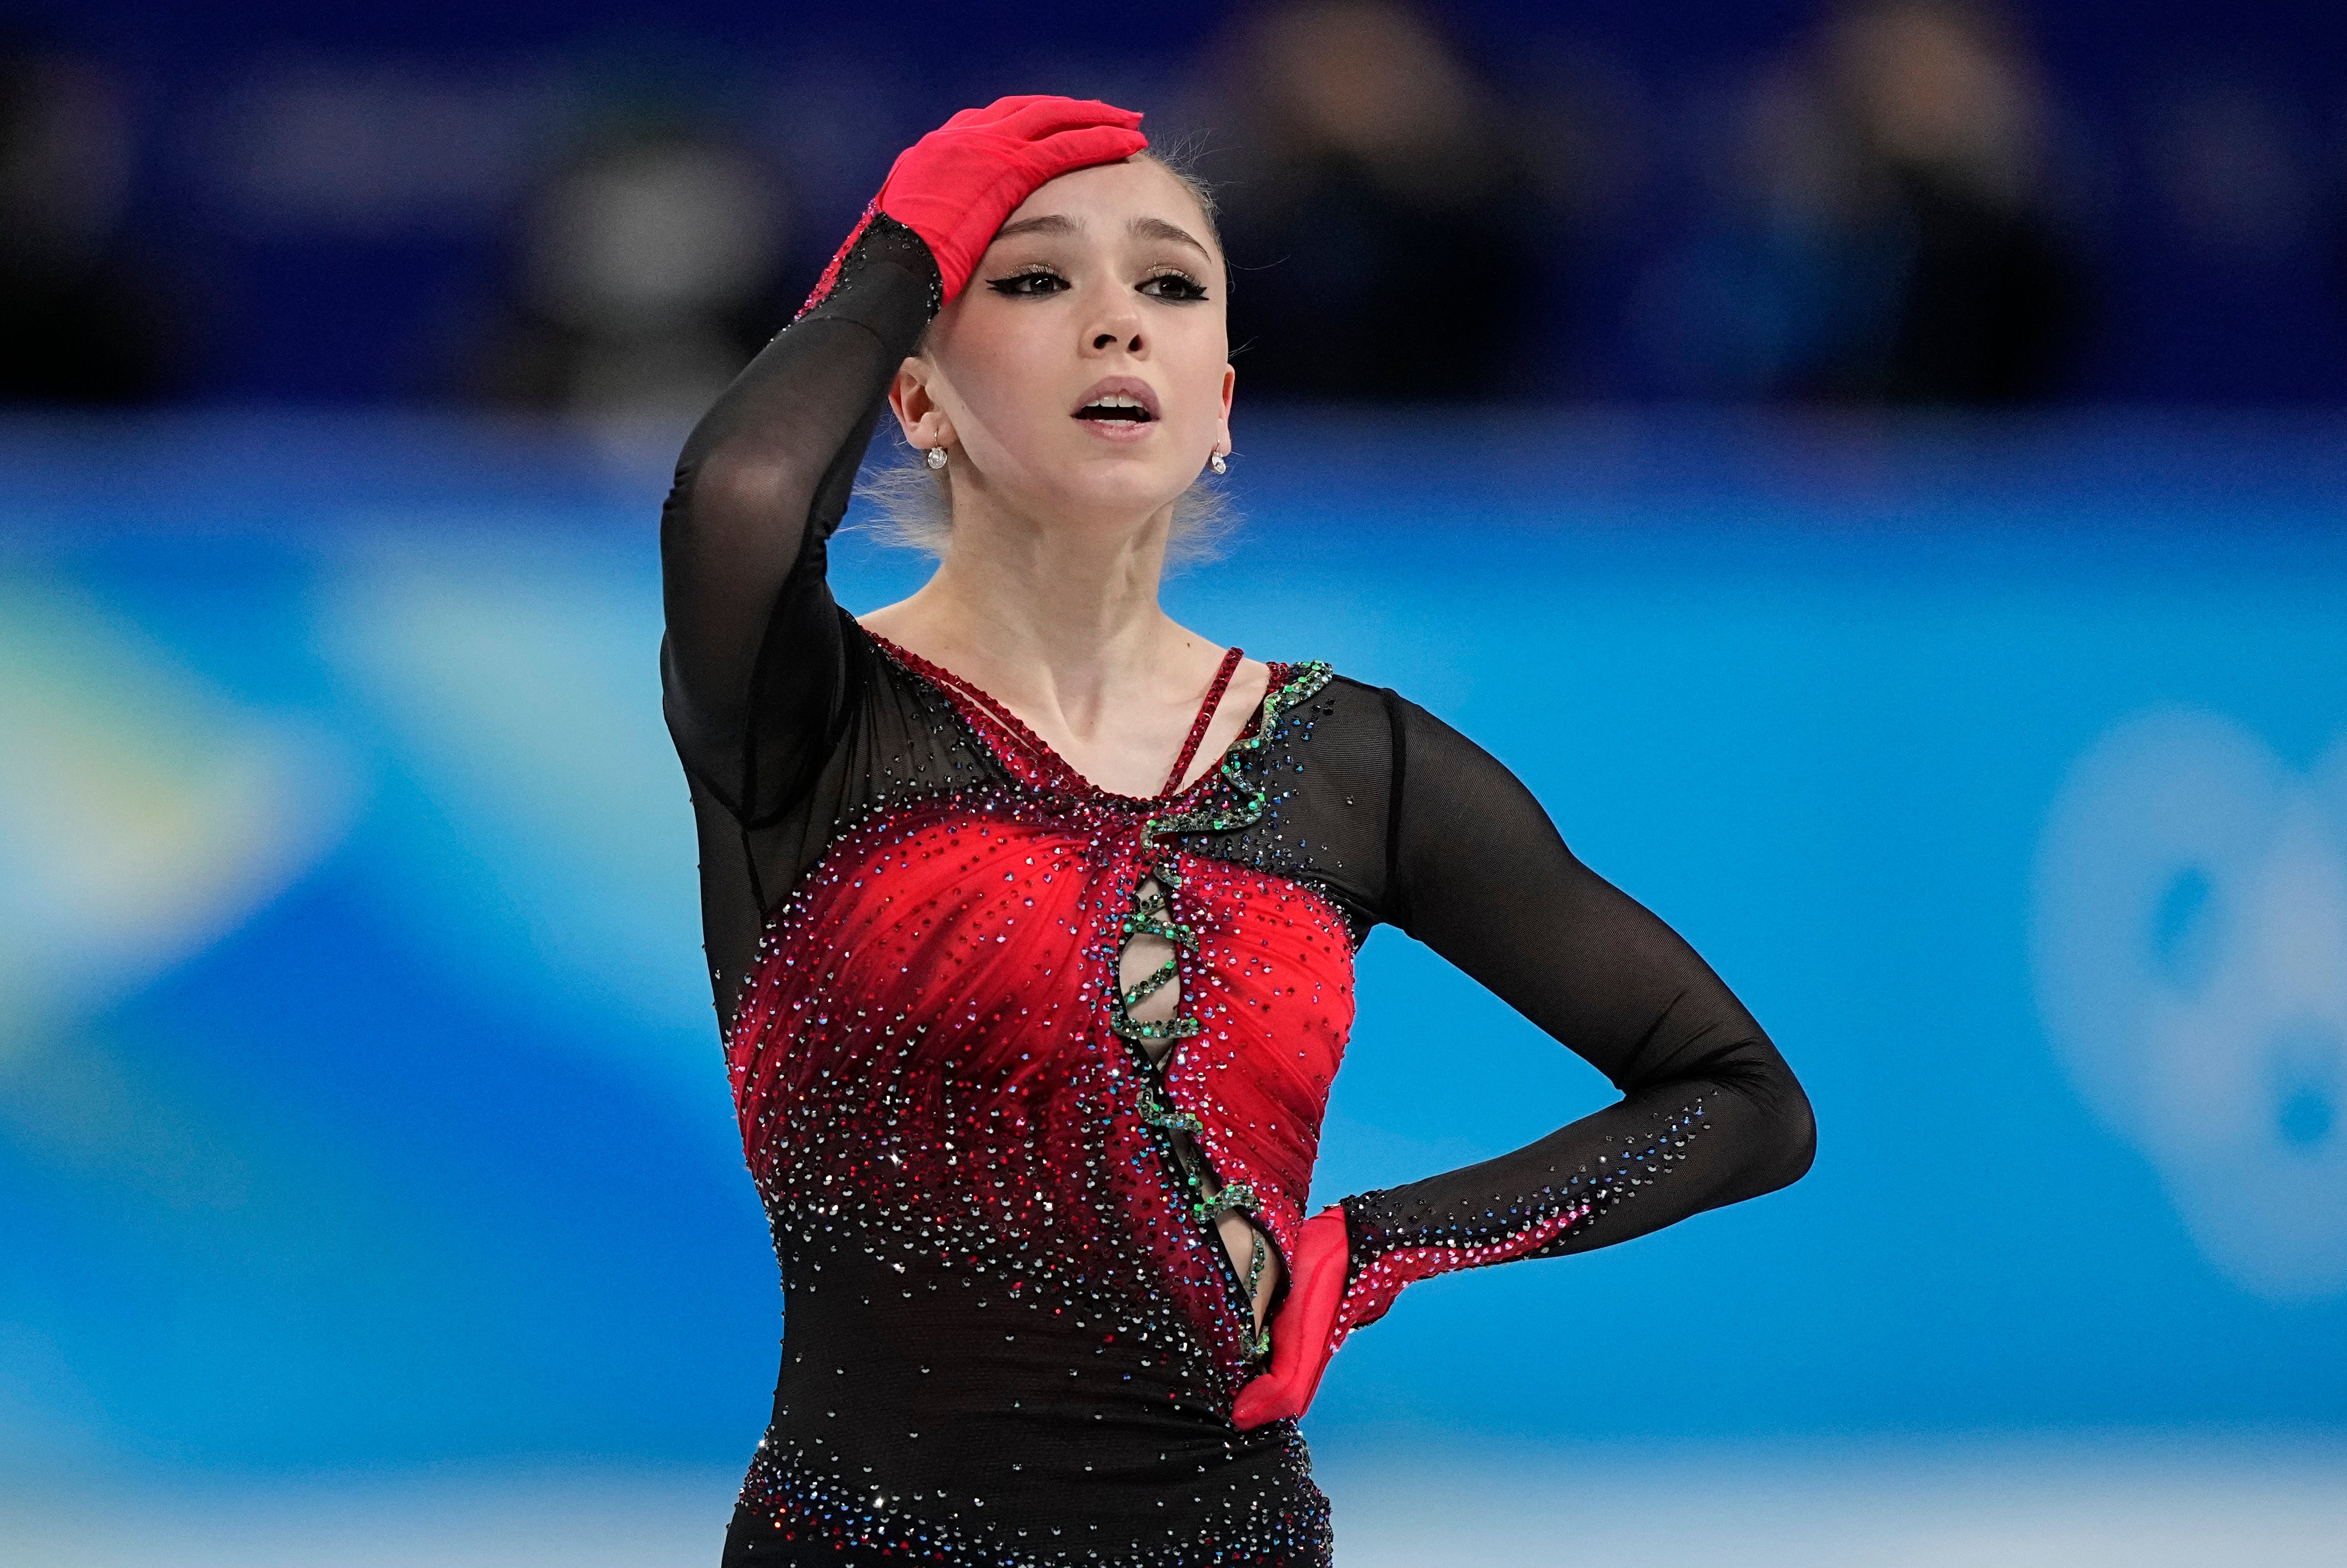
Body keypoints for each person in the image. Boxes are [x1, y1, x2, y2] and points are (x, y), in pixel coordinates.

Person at [660, 95, 1815, 1567]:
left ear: (1219, 404)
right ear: (914, 400)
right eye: (1028, 280)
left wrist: (1375, 1249)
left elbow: (1739, 1100)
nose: (1112, 324)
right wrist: (902, 247)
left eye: (1167, 285)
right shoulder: (808, 716)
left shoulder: (1353, 764)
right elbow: (740, 497)